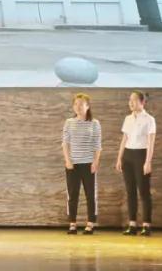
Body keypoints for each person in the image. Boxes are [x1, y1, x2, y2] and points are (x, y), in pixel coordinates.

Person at [116, 90, 156, 236]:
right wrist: (119, 158)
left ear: (142, 102)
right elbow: (124, 139)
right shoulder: (128, 118)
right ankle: (132, 224)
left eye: (134, 100)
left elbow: (151, 142)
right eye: (130, 100)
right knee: (130, 191)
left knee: (144, 191)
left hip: (141, 155)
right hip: (128, 155)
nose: (131, 103)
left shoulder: (149, 119)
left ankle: (146, 225)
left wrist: (148, 162)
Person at [62, 93, 101, 235]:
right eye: (76, 104)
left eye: (81, 104)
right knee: (72, 195)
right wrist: (68, 160)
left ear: (87, 106)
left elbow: (97, 145)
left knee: (91, 194)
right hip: (73, 164)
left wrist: (95, 162)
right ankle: (72, 224)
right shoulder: (69, 122)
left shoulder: (95, 123)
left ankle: (90, 223)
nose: (78, 107)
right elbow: (65, 143)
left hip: (89, 164)